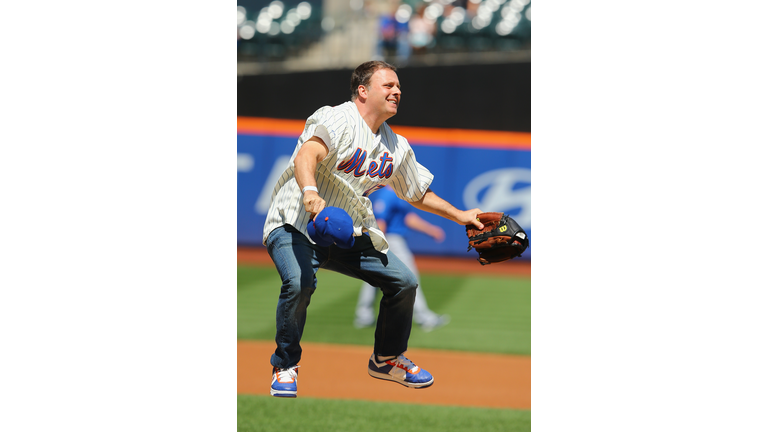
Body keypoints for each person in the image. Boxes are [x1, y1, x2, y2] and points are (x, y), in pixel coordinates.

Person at [262, 60, 484, 398]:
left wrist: (461, 215)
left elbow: (417, 192)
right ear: (363, 91)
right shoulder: (338, 118)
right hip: (295, 220)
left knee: (404, 281)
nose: (397, 92)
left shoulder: (396, 146)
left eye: (399, 88)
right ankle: (286, 364)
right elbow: (307, 154)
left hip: (347, 230)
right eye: (389, 86)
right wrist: (311, 193)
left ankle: (387, 358)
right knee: (300, 281)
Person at [354, 185, 450, 332]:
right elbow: (380, 221)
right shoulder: (388, 195)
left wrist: (430, 230)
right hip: (390, 241)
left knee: (374, 277)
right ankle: (423, 317)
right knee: (410, 277)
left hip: (391, 240)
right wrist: (379, 244)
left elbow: (408, 218)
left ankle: (363, 316)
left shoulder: (398, 193)